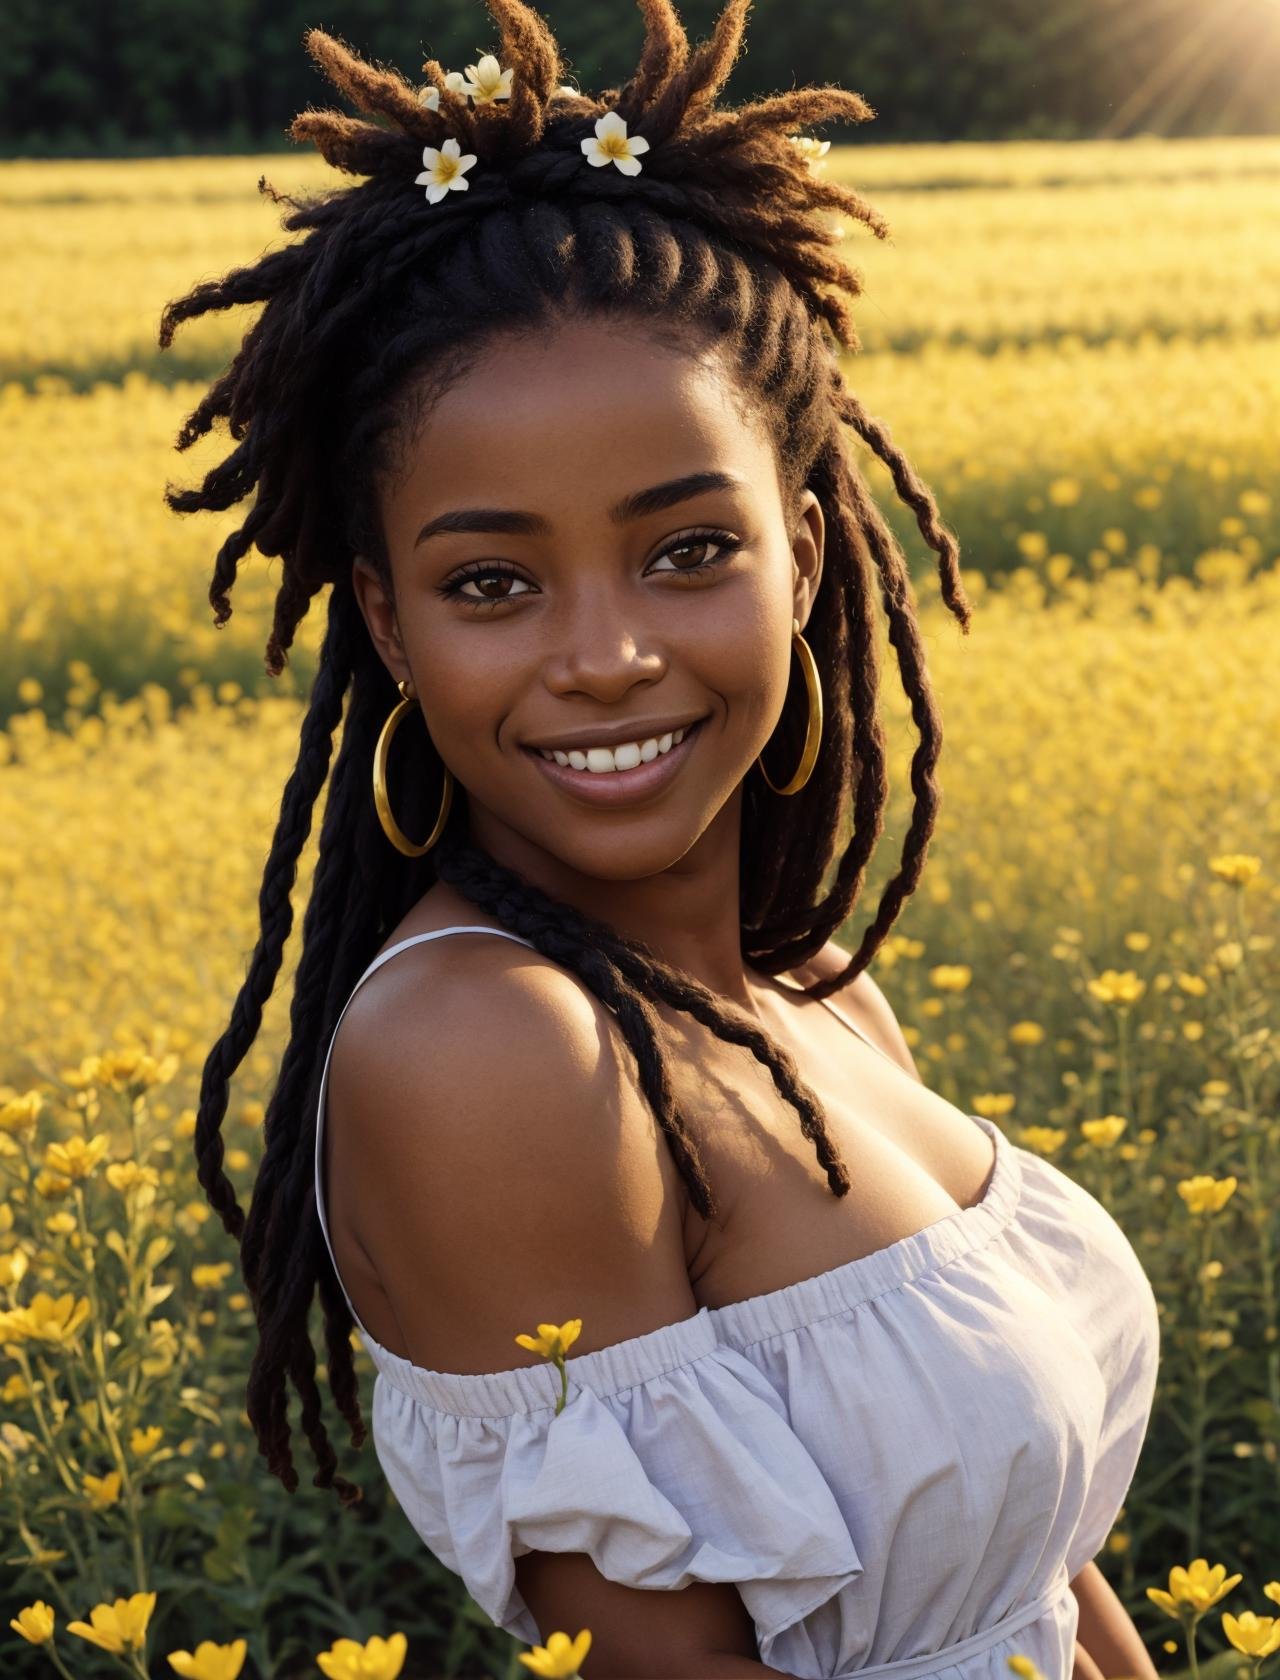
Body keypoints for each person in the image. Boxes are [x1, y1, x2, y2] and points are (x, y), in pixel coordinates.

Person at [161, 2, 1161, 1676]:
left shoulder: (810, 991)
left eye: (689, 550)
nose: (606, 653)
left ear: (812, 557)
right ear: (392, 632)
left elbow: (1046, 1585)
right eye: (493, 582)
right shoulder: (490, 1055)